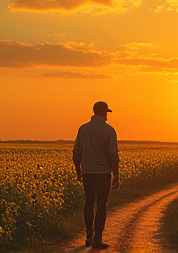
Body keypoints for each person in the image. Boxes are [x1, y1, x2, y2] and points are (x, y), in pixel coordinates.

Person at [73, 101, 120, 249]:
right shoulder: (109, 130)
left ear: (94, 112)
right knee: (101, 205)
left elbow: (77, 152)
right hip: (103, 173)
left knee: (88, 203)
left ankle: (88, 235)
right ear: (105, 113)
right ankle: (97, 239)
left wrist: (78, 171)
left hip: (88, 172)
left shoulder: (83, 129)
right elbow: (113, 155)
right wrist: (116, 175)